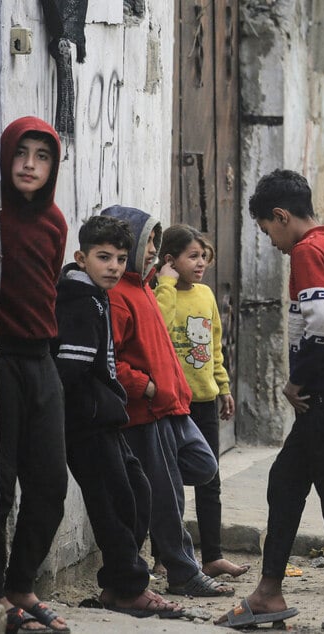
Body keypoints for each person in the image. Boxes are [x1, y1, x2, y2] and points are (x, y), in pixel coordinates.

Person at [215, 169, 324, 632]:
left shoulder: (308, 251)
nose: (272, 242)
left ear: (280, 216)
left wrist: (298, 381)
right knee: (286, 481)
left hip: (323, 393)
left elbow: (319, 324)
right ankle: (269, 592)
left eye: (267, 230)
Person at [99, 205, 233, 599]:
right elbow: (113, 360)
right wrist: (147, 387)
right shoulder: (123, 295)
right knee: (168, 494)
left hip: (177, 406)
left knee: (202, 466)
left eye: (155, 242)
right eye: (149, 241)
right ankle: (181, 570)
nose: (153, 249)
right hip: (149, 410)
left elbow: (204, 344)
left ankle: (173, 561)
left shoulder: (143, 287)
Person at [54, 215, 184, 619]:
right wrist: (94, 407)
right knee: (112, 501)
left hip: (105, 418)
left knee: (136, 491)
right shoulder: (77, 299)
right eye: (103, 257)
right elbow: (70, 370)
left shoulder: (96, 295)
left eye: (120, 258)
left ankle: (118, 583)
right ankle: (127, 588)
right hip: (87, 422)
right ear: (82, 257)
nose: (113, 266)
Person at [0, 115, 70, 633]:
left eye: (42, 157)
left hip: (42, 361)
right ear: (5, 156)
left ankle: (22, 584)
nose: (29, 165)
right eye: (22, 154)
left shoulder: (56, 222)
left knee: (49, 485)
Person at [155, 224, 249, 580]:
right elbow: (158, 332)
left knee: (210, 480)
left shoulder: (206, 295)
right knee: (168, 482)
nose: (200, 264)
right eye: (192, 257)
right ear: (170, 260)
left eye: (203, 257)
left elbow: (213, 348)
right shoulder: (159, 294)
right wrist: (164, 285)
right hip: (169, 403)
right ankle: (165, 555)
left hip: (203, 400)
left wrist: (222, 387)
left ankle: (212, 555)